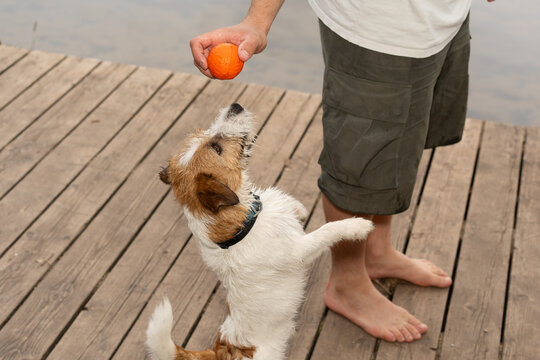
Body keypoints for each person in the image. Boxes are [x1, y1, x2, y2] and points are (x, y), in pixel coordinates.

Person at [190, 0, 493, 343]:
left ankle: (377, 252)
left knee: (396, 144)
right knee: (359, 163)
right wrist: (257, 21)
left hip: (443, 19)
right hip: (375, 33)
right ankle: (348, 284)